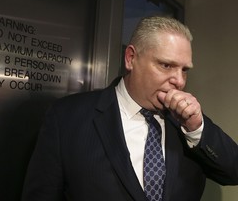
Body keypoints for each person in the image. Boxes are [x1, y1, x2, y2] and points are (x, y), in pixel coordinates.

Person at [21, 16, 238, 201]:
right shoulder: (66, 117)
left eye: (184, 70)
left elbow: (233, 172)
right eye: (166, 65)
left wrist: (196, 128)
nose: (179, 81)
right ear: (131, 58)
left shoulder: (186, 122)